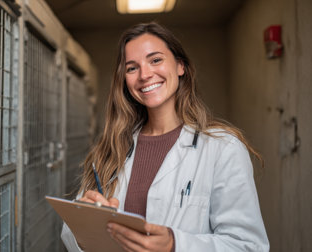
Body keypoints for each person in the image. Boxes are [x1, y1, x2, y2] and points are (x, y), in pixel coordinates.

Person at [61, 22, 269, 252]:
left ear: (180, 66)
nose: (145, 74)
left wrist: (174, 244)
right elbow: (71, 236)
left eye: (155, 60)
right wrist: (86, 224)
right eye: (132, 68)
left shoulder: (223, 148)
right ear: (124, 80)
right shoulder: (111, 149)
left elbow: (248, 246)